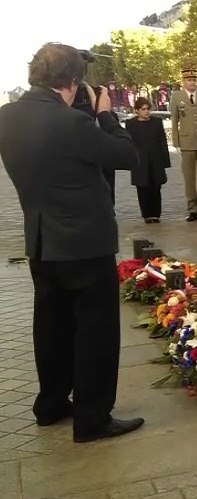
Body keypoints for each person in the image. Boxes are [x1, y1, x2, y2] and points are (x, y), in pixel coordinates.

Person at [0, 42, 143, 443]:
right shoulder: (73, 124)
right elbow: (126, 155)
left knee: (51, 328)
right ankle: (92, 418)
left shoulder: (7, 117)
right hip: (85, 245)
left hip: (42, 243)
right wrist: (105, 114)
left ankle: (51, 404)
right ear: (73, 82)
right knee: (95, 332)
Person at [170, 66, 197, 222]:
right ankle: (192, 208)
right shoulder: (176, 97)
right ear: (183, 82)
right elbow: (174, 121)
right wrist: (176, 142)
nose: (192, 83)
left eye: (195, 80)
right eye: (189, 80)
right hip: (186, 142)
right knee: (189, 178)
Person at [125, 97, 171, 223]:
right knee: (143, 188)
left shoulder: (156, 122)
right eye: (143, 109)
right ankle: (147, 214)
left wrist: (165, 161)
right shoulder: (131, 124)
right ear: (137, 110)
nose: (146, 111)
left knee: (156, 187)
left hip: (155, 160)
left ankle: (156, 214)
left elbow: (162, 141)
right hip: (140, 161)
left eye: (148, 109)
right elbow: (129, 143)